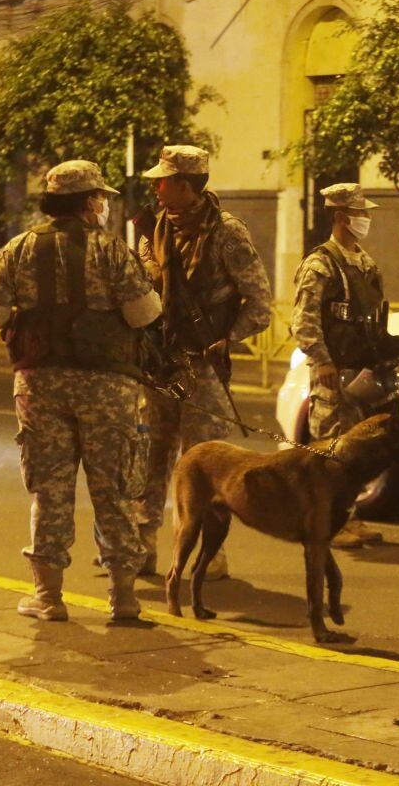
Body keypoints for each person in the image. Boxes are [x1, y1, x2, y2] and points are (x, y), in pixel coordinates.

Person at [0, 160, 162, 621]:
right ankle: (124, 598)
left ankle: (48, 597)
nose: (104, 206)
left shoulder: (17, 249)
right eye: (101, 198)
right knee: (113, 489)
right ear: (88, 201)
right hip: (108, 388)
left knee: (50, 490)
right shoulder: (113, 252)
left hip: (40, 385)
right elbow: (144, 315)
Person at [134, 145, 273, 577]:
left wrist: (225, 339)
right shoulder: (152, 231)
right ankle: (140, 546)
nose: (156, 188)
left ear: (187, 185)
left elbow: (260, 303)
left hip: (202, 369)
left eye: (164, 180)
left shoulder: (227, 233)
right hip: (159, 366)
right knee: (150, 457)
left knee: (206, 466)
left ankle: (210, 555)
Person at [290, 182, 395, 549]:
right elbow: (303, 321)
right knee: (329, 451)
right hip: (332, 374)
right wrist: (321, 361)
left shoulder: (364, 262)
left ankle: (350, 516)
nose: (365, 219)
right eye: (360, 213)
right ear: (339, 217)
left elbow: (375, 316)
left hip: (361, 373)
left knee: (355, 452)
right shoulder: (320, 264)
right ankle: (326, 522)